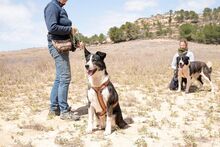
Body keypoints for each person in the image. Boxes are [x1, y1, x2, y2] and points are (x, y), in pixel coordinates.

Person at [44, 0, 80, 120]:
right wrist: (70, 29)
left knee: (60, 78)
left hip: (62, 44)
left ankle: (54, 108)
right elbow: (52, 27)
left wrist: (76, 42)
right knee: (65, 77)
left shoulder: (60, 7)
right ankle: (64, 112)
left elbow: (65, 31)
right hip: (56, 45)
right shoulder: (52, 6)